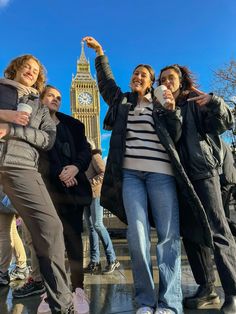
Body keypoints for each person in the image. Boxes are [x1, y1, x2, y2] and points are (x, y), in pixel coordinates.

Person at [83, 36, 183, 314]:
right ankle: (146, 301)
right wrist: (100, 54)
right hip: (130, 177)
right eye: (135, 73)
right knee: (137, 238)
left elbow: (175, 136)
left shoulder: (163, 102)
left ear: (151, 82)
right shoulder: (123, 101)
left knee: (168, 237)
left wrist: (171, 112)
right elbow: (105, 83)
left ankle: (170, 304)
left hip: (162, 174)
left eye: (144, 74)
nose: (138, 76)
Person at [158, 64, 236, 314]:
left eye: (171, 78)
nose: (167, 82)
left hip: (203, 172)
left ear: (181, 80)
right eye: (162, 80)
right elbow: (174, 136)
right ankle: (207, 288)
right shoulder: (161, 109)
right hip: (180, 179)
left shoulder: (197, 100)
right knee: (192, 235)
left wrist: (215, 102)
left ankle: (233, 291)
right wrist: (170, 111)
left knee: (218, 231)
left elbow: (224, 123)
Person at [0, 55, 74, 313]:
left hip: (20, 166)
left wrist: (12, 130)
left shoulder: (39, 106)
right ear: (15, 68)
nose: (31, 71)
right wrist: (4, 114)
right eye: (26, 66)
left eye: (36, 69)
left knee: (50, 229)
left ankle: (63, 305)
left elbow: (46, 139)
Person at [36, 85, 91, 313]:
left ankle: (79, 289)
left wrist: (75, 168)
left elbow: (85, 151)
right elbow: (40, 155)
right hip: (46, 189)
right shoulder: (34, 124)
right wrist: (61, 171)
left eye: (59, 97)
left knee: (73, 239)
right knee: (48, 241)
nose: (56, 100)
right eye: (51, 95)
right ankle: (52, 291)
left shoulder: (73, 125)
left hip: (73, 190)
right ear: (40, 99)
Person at [84, 139, 120, 274]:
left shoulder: (95, 156)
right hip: (86, 197)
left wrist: (90, 183)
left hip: (96, 194)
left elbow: (104, 173)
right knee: (91, 228)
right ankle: (95, 262)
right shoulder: (84, 159)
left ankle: (113, 259)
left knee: (98, 224)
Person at [0, 190, 29, 286]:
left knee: (4, 233)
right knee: (11, 230)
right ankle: (21, 267)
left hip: (3, 193)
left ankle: (3, 273)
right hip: (9, 193)